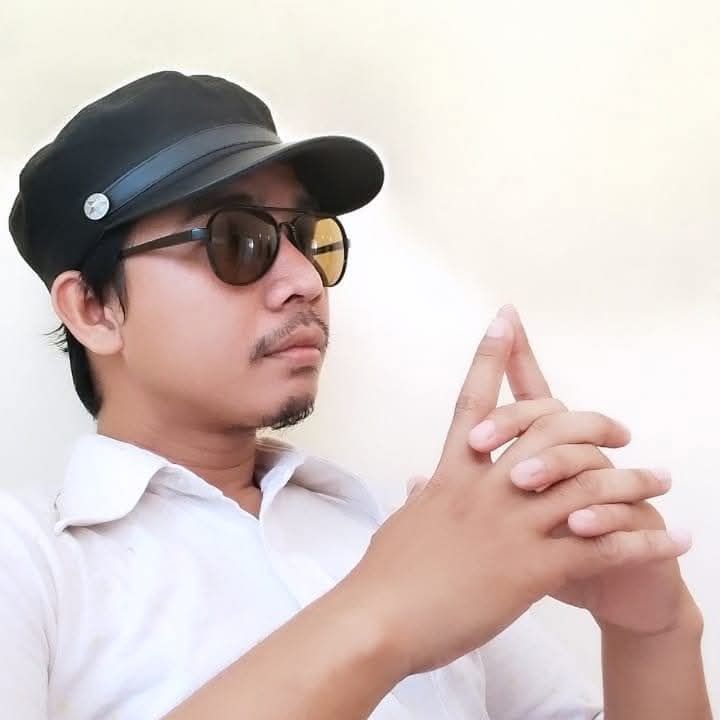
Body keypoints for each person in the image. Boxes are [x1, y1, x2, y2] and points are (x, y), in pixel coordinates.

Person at [4, 71, 711, 720]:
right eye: (237, 240)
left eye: (307, 237)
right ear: (94, 309)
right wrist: (384, 612)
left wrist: (653, 633)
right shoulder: (31, 560)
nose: (305, 281)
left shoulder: (397, 528)